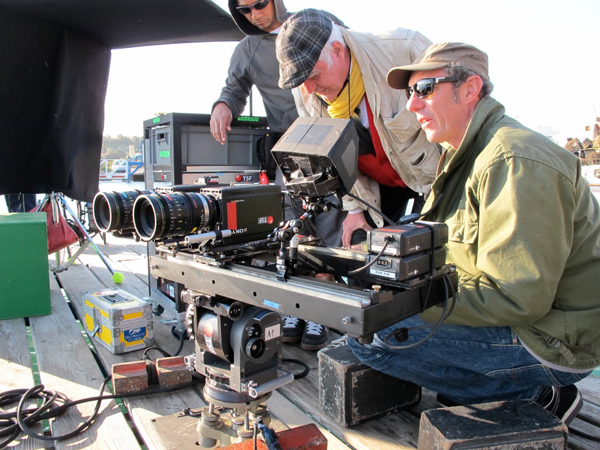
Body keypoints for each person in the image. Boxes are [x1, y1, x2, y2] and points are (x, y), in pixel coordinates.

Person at [348, 42, 600, 425]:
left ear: (470, 89)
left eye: (424, 89)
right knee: (363, 316)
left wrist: (408, 303)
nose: (412, 105)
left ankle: (537, 395)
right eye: (409, 93)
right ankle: (489, 387)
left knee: (373, 336)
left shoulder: (513, 160)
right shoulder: (466, 152)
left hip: (552, 340)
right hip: (523, 319)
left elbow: (518, 298)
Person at [210, 0, 345, 350]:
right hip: (288, 149)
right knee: (293, 227)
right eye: (244, 10)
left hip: (330, 140)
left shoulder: (319, 21)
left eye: (259, 4)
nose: (255, 14)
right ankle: (296, 308)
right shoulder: (247, 49)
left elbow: (351, 58)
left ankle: (321, 312)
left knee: (329, 225)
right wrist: (223, 107)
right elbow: (233, 88)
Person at [275, 9, 442, 247]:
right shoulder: (305, 89)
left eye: (314, 75)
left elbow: (458, 117)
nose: (309, 89)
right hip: (376, 189)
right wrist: (354, 210)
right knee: (362, 258)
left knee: (427, 256)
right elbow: (333, 158)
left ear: (337, 50)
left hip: (433, 180)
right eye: (301, 81)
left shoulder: (405, 49)